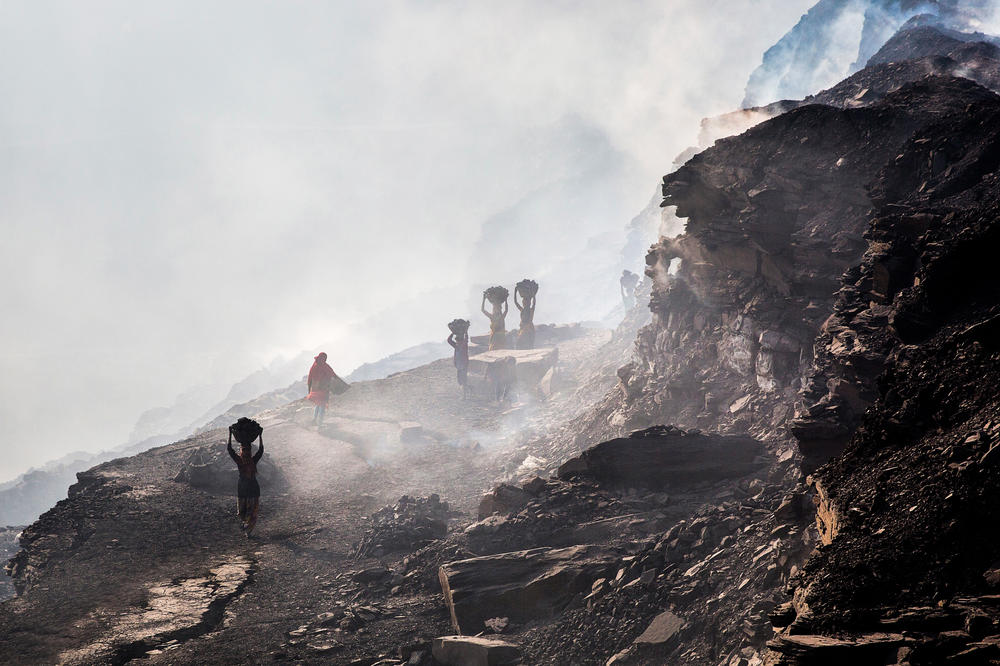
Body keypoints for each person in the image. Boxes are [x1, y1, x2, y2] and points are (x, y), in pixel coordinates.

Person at [227, 418, 263, 536]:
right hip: (246, 488)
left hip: (248, 488)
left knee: (250, 511)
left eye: (247, 451)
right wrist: (230, 434)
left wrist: (230, 434)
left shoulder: (241, 461)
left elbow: (230, 450)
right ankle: (248, 529)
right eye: (245, 451)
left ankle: (248, 530)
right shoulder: (245, 461)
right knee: (245, 511)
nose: (246, 453)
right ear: (242, 452)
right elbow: (230, 450)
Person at [307, 352, 341, 425]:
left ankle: (314, 420)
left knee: (317, 404)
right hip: (323, 389)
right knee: (322, 405)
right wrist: (340, 384)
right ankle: (320, 423)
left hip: (315, 389)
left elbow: (310, 377)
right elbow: (333, 374)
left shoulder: (314, 365)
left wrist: (309, 389)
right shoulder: (325, 366)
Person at [447, 319, 470, 395]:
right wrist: (452, 333)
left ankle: (464, 395)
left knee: (463, 381)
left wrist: (466, 332)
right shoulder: (457, 346)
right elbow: (449, 340)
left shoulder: (463, 345)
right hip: (459, 366)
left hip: (463, 365)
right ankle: (468, 390)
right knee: (460, 381)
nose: (456, 341)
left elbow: (466, 339)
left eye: (457, 340)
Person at [514, 280, 537, 350]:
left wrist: (533, 295)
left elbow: (534, 303)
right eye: (523, 301)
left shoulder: (531, 310)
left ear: (529, 303)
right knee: (519, 343)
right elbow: (516, 302)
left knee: (526, 343)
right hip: (523, 328)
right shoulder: (522, 309)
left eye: (526, 301)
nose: (524, 302)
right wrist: (515, 292)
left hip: (528, 328)